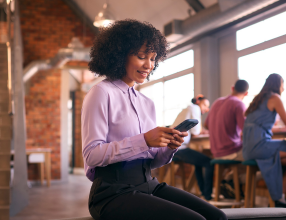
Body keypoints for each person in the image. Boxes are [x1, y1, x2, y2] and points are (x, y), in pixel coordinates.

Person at [82, 19, 227, 220]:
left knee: (217, 217)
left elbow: (154, 161)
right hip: (111, 193)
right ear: (119, 54)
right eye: (141, 57)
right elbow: (91, 155)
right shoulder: (101, 92)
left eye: (153, 58)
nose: (148, 65)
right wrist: (144, 140)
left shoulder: (146, 102)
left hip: (148, 183)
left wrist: (169, 147)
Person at [242, 73, 286, 208]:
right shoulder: (275, 98)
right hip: (260, 146)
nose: (284, 88)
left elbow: (259, 126)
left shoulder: (258, 100)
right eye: (283, 84)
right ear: (278, 84)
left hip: (249, 149)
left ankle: (280, 199)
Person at [171, 94, 213, 200]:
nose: (206, 109)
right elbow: (196, 132)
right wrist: (203, 131)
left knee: (199, 162)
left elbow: (195, 131)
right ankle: (207, 196)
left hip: (175, 148)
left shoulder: (187, 109)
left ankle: (203, 193)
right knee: (208, 162)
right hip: (179, 148)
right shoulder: (194, 108)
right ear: (198, 102)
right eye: (205, 105)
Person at [204, 79, 249, 161]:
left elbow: (206, 125)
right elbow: (246, 130)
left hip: (216, 153)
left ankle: (232, 174)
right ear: (246, 93)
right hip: (232, 151)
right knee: (262, 154)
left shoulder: (217, 102)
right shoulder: (239, 104)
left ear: (232, 88)